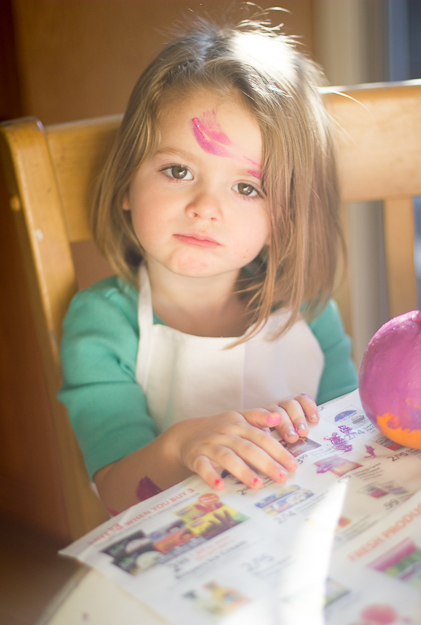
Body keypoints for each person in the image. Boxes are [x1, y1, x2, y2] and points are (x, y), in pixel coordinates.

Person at [58, 17, 358, 515]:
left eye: (247, 187)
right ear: (125, 183)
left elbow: (350, 442)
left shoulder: (308, 311)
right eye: (178, 171)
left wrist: (303, 432)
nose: (205, 207)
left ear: (285, 215)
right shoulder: (102, 327)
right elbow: (116, 492)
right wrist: (181, 446)